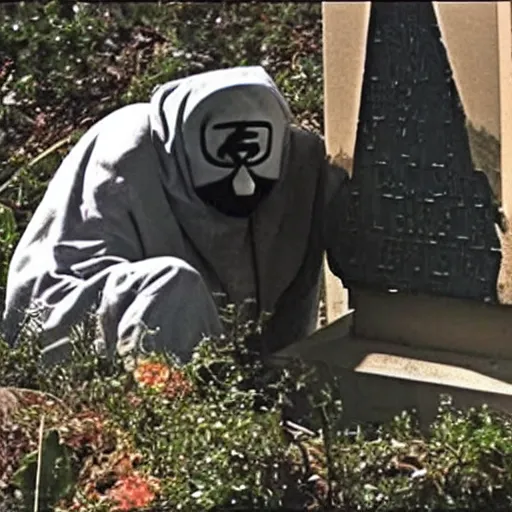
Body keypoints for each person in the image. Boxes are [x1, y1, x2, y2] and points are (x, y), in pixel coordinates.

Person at [1, 66, 348, 364]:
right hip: (69, 325)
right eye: (225, 162)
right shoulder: (128, 152)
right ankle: (173, 406)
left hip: (231, 361)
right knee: (172, 287)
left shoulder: (299, 163)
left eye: (258, 169)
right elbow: (61, 291)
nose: (244, 186)